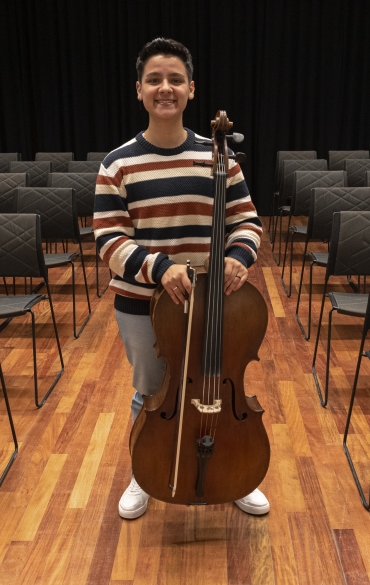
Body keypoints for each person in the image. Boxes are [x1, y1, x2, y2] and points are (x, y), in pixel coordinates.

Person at [93, 38, 270, 519]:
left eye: (175, 79)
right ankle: (144, 473)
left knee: (217, 384)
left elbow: (248, 222)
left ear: (190, 89)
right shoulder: (118, 163)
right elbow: (109, 240)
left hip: (216, 303)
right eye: (154, 79)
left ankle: (231, 472)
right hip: (143, 305)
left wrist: (238, 255)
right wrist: (160, 267)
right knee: (154, 393)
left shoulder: (219, 158)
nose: (164, 88)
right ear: (139, 90)